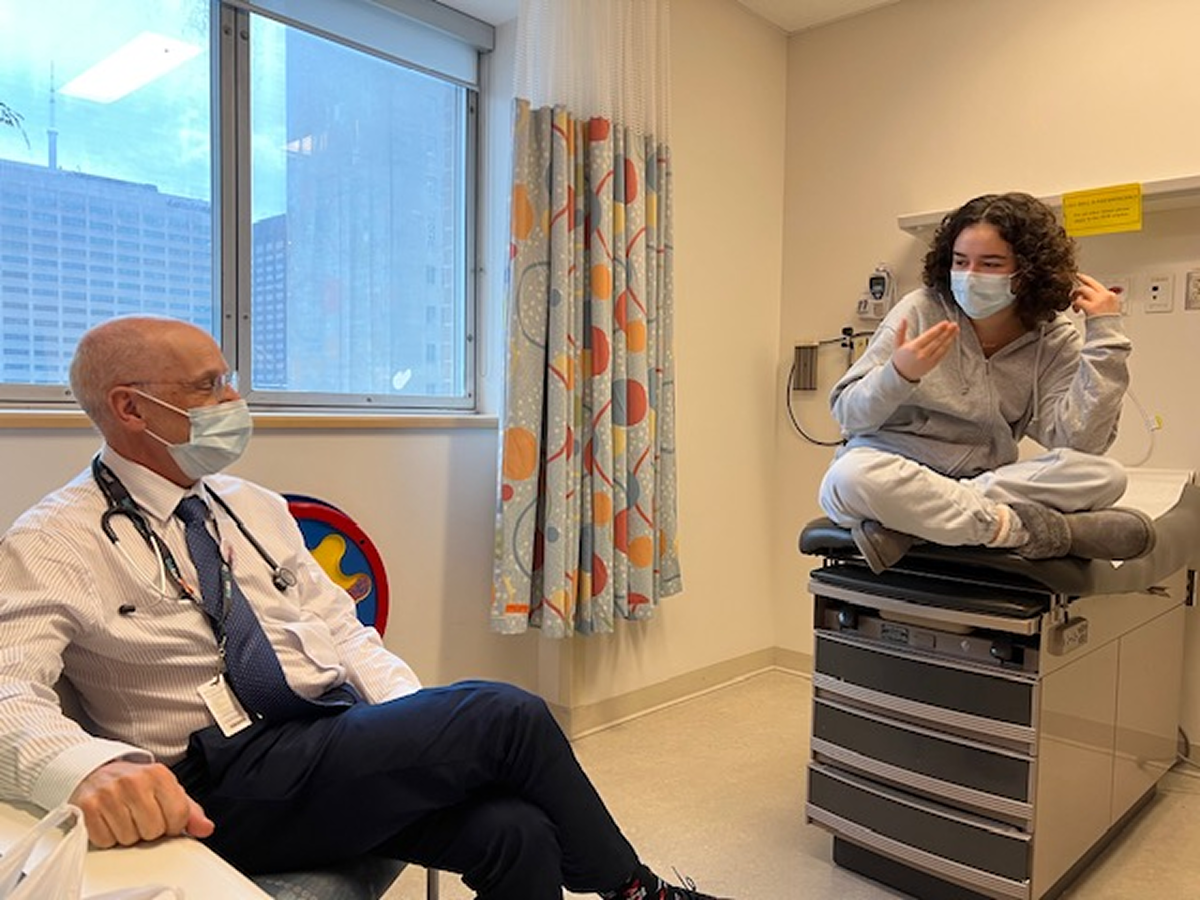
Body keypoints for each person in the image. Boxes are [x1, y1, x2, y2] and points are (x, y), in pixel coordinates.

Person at [0, 316, 727, 900]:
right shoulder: (56, 539)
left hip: (326, 736)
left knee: (520, 833)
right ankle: (637, 893)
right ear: (130, 407)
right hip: (219, 780)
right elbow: (6, 687)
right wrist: (83, 768)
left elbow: (343, 628)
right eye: (208, 386)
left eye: (230, 380)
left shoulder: (250, 507)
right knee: (505, 713)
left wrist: (411, 735)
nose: (233, 403)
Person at [818, 192, 1156, 574]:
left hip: (980, 482)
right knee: (849, 478)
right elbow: (849, 416)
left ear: (1029, 270)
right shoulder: (922, 309)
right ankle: (1018, 530)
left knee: (1104, 477)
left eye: (991, 263)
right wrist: (898, 374)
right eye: (961, 262)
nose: (970, 275)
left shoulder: (1052, 337)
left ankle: (916, 524)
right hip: (892, 467)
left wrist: (1105, 337)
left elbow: (1079, 443)